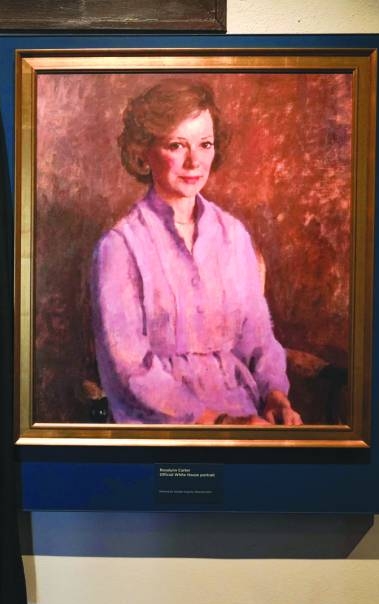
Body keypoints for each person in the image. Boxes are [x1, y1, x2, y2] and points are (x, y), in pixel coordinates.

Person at [91, 80, 302, 426]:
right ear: (143, 152)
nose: (194, 161)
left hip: (246, 412)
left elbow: (259, 338)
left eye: (205, 145)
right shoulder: (120, 246)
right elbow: (129, 369)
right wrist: (216, 422)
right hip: (162, 423)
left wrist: (275, 395)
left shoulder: (232, 234)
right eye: (177, 145)